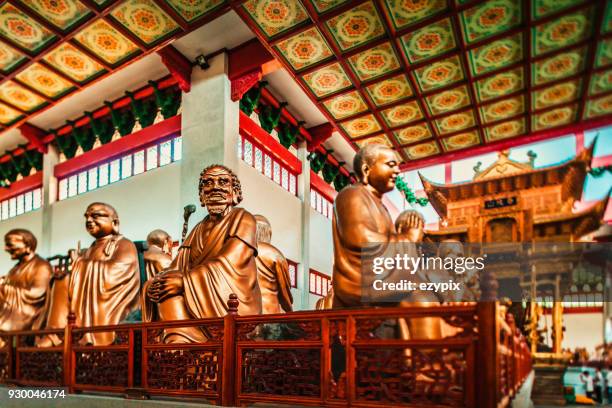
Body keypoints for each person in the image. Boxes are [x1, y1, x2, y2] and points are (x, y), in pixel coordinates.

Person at [145, 164, 261, 343]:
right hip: (198, 297)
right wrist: (158, 282)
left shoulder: (243, 218)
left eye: (223, 182)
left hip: (231, 300)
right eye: (208, 183)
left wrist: (184, 281)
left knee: (174, 290)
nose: (215, 187)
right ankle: (179, 351)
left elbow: (232, 261)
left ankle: (187, 352)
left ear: (235, 192)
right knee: (164, 292)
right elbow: (178, 265)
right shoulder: (198, 228)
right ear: (201, 195)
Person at [68, 202, 140, 346]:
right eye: (87, 217)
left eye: (96, 216)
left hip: (109, 308)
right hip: (87, 309)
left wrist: (80, 264)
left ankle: (96, 337)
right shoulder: (90, 249)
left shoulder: (124, 244)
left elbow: (119, 273)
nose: (89, 220)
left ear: (114, 222)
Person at [0, 229, 52, 346]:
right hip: (8, 310)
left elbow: (38, 293)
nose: (6, 249)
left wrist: (5, 289)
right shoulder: (14, 269)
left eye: (10, 245)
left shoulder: (41, 266)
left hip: (28, 313)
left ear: (27, 245)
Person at [254, 215, 293, 314]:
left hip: (245, 312)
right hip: (270, 311)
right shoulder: (274, 253)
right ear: (268, 232)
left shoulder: (242, 251)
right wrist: (290, 312)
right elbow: (284, 290)